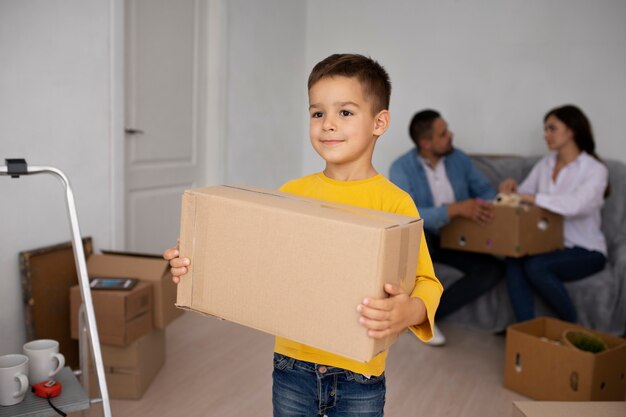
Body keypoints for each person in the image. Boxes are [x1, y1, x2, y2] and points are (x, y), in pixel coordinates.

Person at [164, 53, 443, 417]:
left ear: (379, 122)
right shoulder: (292, 193)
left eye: (345, 112)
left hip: (360, 375)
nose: (328, 124)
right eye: (317, 113)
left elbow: (426, 280)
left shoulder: (394, 203)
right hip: (292, 366)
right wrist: (196, 264)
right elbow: (257, 260)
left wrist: (410, 309)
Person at [389, 110, 503, 345]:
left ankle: (423, 316)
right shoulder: (401, 168)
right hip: (424, 237)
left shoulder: (459, 160)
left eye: (447, 129)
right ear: (425, 143)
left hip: (458, 236)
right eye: (443, 133)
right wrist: (454, 209)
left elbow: (486, 191)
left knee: (492, 270)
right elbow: (407, 216)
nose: (451, 135)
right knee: (418, 240)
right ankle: (418, 315)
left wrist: (497, 199)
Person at [499, 104, 608, 323]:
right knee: (513, 259)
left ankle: (571, 325)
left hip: (585, 250)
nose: (545, 135)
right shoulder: (545, 165)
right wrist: (512, 188)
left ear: (571, 130)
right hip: (547, 245)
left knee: (536, 266)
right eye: (545, 129)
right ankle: (526, 331)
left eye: (552, 128)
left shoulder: (595, 170)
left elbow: (575, 206)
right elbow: (523, 195)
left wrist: (530, 198)